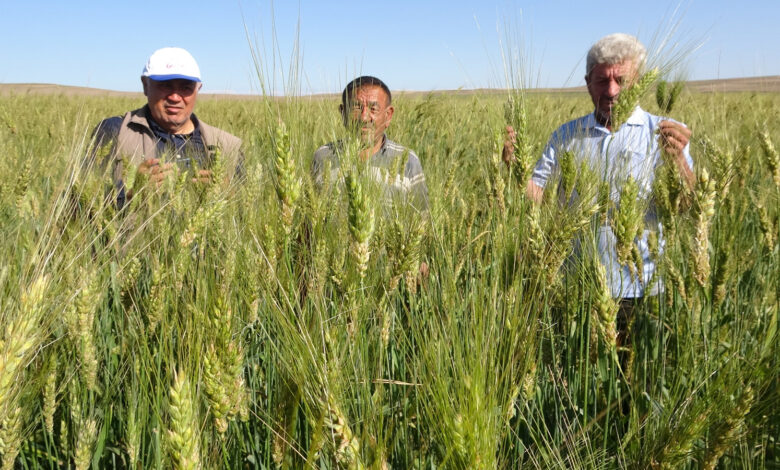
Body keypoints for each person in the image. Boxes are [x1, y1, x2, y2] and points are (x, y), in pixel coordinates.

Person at [505, 33, 695, 353]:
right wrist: (514, 171)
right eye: (601, 80)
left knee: (636, 387)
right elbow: (539, 197)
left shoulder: (664, 132)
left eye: (622, 79)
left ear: (640, 81)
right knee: (583, 380)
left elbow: (689, 206)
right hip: (579, 285)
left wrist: (679, 162)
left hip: (644, 290)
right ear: (587, 83)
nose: (612, 91)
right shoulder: (566, 135)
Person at [89, 47, 243, 208]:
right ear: (145, 85)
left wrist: (229, 195)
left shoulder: (228, 146)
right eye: (165, 85)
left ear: (198, 89)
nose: (175, 97)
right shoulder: (114, 131)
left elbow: (247, 213)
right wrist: (133, 193)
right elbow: (77, 207)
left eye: (186, 87)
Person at [312, 76, 428, 212]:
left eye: (374, 108)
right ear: (343, 113)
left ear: (388, 115)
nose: (364, 117)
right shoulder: (323, 156)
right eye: (356, 107)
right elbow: (309, 221)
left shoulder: (408, 160)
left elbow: (421, 223)